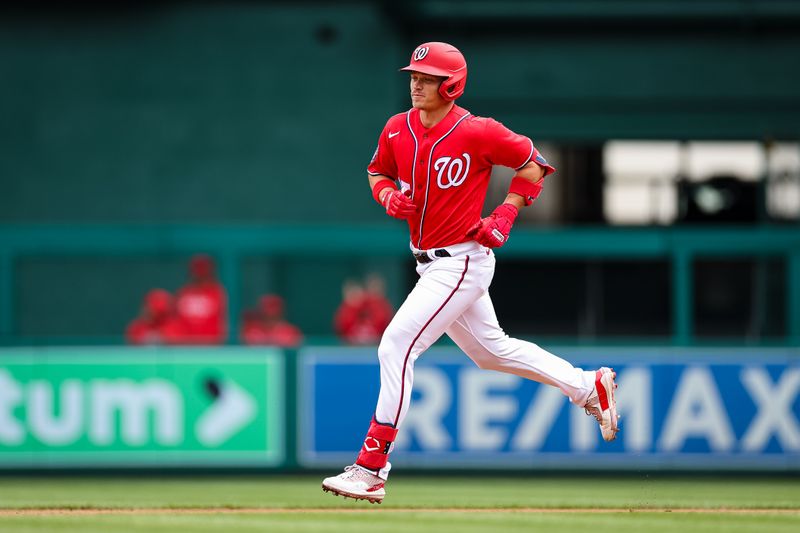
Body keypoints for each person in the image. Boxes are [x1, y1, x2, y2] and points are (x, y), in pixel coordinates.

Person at [322, 42, 619, 504]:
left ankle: (372, 466)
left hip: (462, 259)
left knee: (396, 345)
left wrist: (505, 213)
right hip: (429, 262)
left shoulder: (478, 130)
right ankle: (587, 386)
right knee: (490, 352)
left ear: (452, 84)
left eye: (427, 76)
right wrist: (386, 197)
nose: (416, 82)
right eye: (414, 75)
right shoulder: (397, 128)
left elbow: (534, 165)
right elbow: (376, 171)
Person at [174, 254, 228, 344]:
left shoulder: (217, 292)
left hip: (211, 346)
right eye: (197, 268)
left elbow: (223, 322)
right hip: (185, 346)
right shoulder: (183, 293)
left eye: (203, 267)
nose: (200, 272)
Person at [333, 275, 393, 345]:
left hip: (375, 346)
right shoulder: (348, 310)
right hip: (351, 347)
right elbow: (342, 329)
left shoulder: (381, 308)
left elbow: (383, 325)